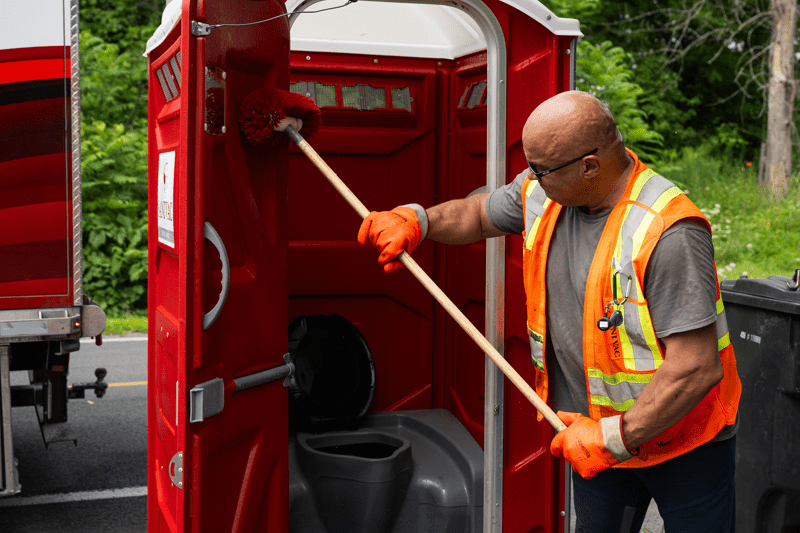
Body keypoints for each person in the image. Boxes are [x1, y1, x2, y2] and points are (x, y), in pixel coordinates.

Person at [357, 91, 741, 532]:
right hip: (596, 434)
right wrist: (417, 221)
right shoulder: (546, 193)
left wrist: (613, 438)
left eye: (541, 170)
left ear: (589, 166)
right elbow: (478, 213)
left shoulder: (667, 233)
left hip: (683, 441)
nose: (530, 179)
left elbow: (695, 368)